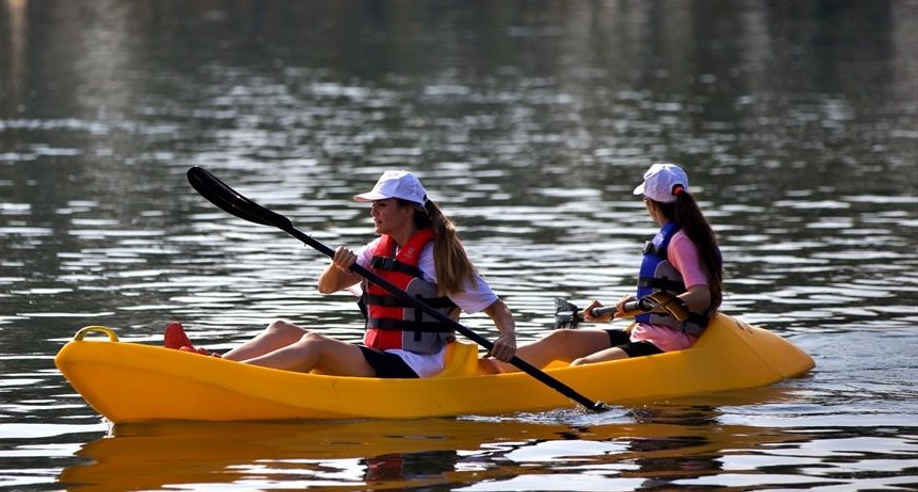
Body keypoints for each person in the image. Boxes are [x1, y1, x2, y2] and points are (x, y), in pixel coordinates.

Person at [165, 170, 518, 378]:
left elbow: (496, 307)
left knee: (315, 344)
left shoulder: (437, 257)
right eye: (373, 206)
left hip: (418, 363)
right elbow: (326, 288)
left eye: (381, 205)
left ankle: (225, 379)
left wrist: (507, 338)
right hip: (382, 354)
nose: (373, 213)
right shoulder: (375, 250)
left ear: (408, 210)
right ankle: (209, 365)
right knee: (281, 328)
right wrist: (337, 266)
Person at [508, 162, 723, 369]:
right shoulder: (677, 235)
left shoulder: (681, 240)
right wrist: (627, 308)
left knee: (582, 367)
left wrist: (643, 305)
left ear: (649, 202)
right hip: (646, 332)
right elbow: (663, 298)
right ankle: (490, 370)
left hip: (667, 344)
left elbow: (702, 296)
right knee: (559, 339)